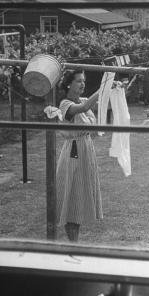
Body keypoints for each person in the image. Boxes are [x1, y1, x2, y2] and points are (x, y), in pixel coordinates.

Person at [56, 68, 103, 242]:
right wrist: (102, 89)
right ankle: (73, 244)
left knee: (80, 195)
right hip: (74, 152)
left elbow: (100, 103)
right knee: (72, 196)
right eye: (78, 81)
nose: (83, 84)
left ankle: (75, 243)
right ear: (69, 83)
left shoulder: (83, 100)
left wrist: (118, 89)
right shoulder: (65, 104)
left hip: (86, 150)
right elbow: (84, 107)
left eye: (84, 81)